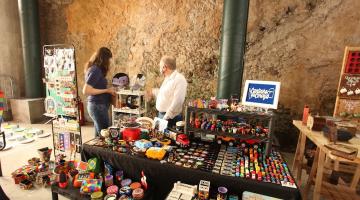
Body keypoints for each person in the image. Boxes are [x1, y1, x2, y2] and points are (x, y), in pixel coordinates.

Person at [82, 47, 116, 136]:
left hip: (97, 105)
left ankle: (93, 150)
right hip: (97, 106)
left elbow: (95, 87)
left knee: (99, 135)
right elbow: (86, 90)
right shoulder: (96, 70)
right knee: (104, 134)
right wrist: (107, 90)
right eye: (109, 59)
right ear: (104, 59)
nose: (110, 62)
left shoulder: (95, 69)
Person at [148, 55, 187, 128]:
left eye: (160, 66)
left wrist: (166, 118)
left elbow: (178, 101)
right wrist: (153, 91)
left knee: (169, 139)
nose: (159, 68)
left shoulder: (179, 79)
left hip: (171, 118)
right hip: (162, 116)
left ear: (164, 67)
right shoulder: (168, 78)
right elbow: (165, 94)